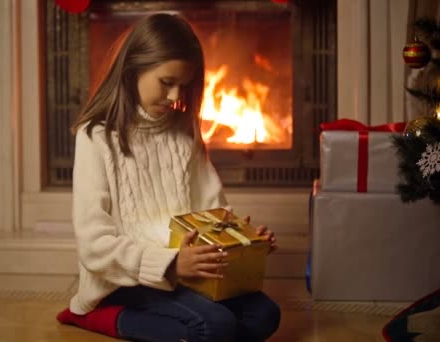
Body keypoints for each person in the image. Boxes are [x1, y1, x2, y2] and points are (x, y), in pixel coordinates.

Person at [56, 12, 281, 342]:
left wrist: (242, 241)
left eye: (184, 86)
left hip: (186, 273)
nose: (176, 97)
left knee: (266, 315)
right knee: (215, 326)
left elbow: (212, 211)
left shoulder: (183, 132)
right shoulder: (96, 137)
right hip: (127, 278)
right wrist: (171, 264)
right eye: (166, 82)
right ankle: (103, 315)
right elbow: (94, 246)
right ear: (135, 67)